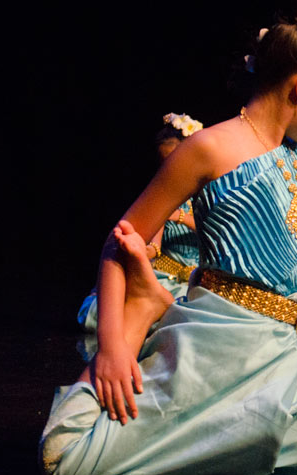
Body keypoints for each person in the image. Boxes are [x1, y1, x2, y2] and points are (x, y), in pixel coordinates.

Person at [39, 0, 297, 475]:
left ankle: (226, 448)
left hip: (284, 358)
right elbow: (121, 241)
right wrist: (114, 349)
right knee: (67, 461)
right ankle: (146, 314)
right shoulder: (210, 147)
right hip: (220, 342)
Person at [77, 113, 203, 334]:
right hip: (167, 273)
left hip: (198, 278)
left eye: (174, 161)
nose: (170, 168)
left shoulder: (210, 193)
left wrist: (180, 217)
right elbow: (155, 246)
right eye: (165, 163)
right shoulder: (166, 194)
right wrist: (138, 252)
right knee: (115, 306)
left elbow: (216, 232)